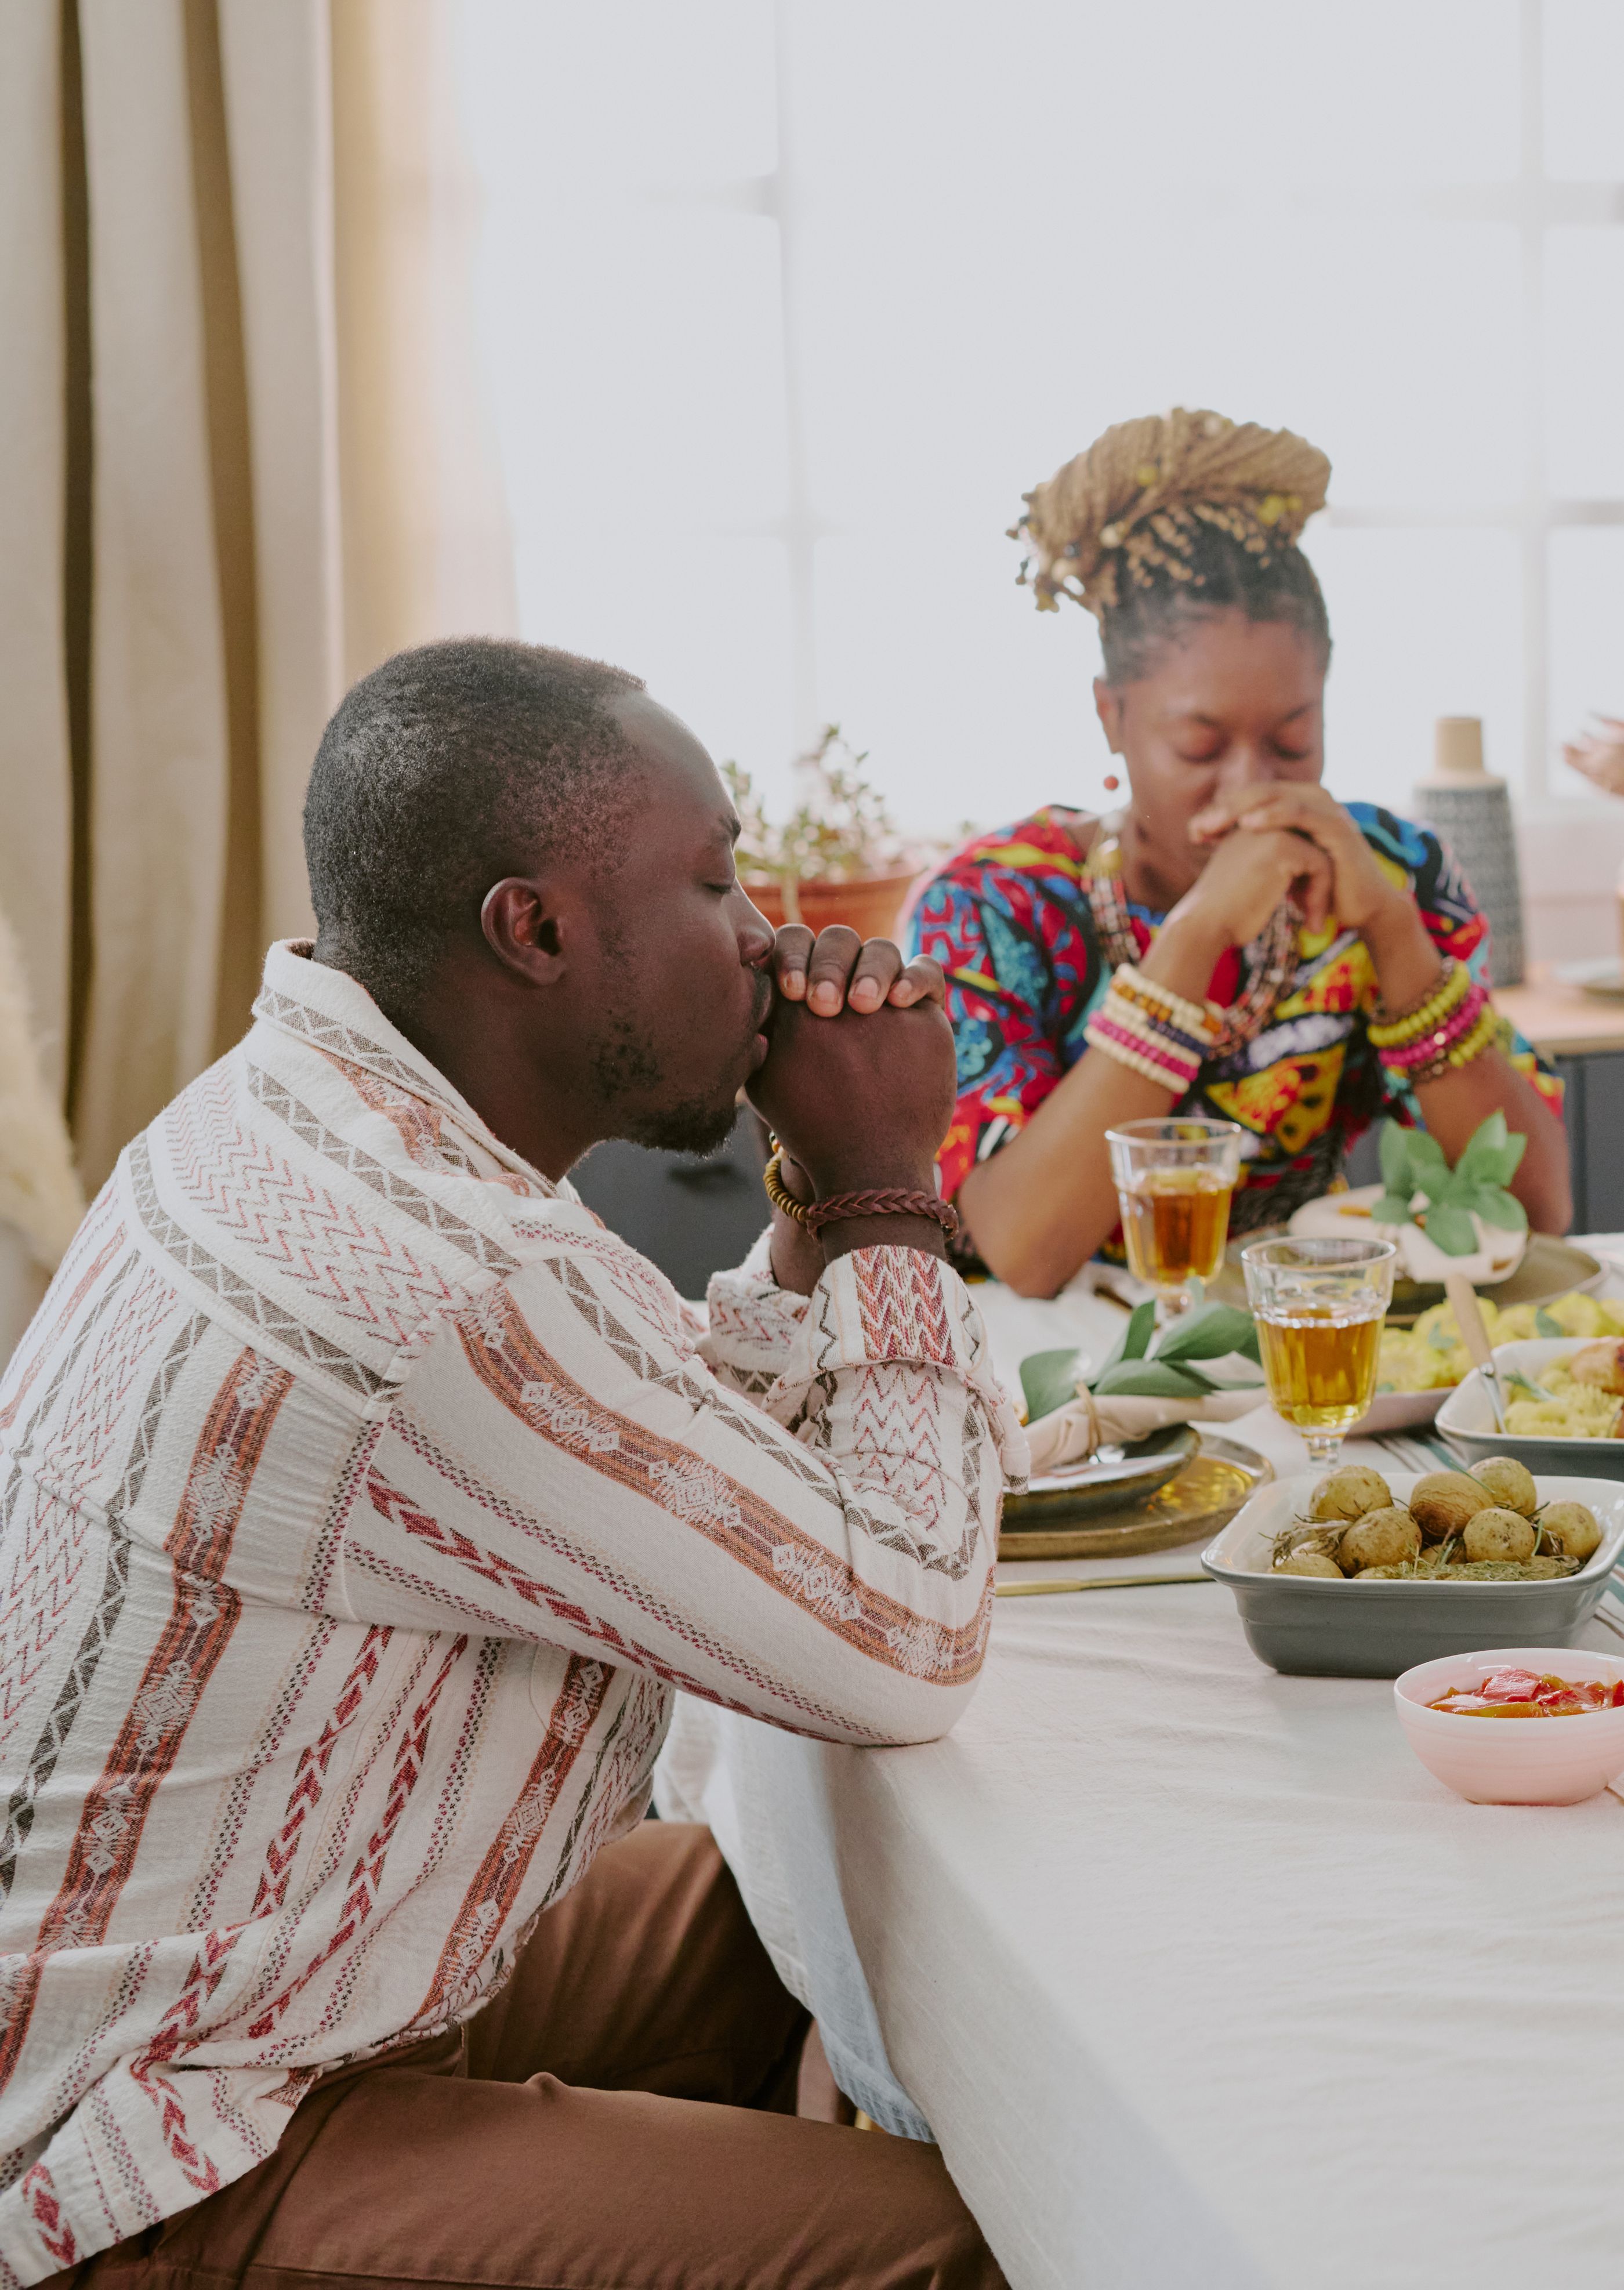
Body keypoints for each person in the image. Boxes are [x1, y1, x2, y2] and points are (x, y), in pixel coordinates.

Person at [0, 642, 1021, 2285]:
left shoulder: (293, 1113)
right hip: (154, 2150)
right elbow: (908, 1641)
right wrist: (892, 1188)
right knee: (980, 2244)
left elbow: (682, 1474)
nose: (763, 935)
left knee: (849, 1939)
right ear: (532, 930)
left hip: (245, 1978)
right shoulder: (447, 1284)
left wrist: (816, 1214)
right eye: (713, 879)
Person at [913, 408, 1567, 1298]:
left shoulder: (1389, 871)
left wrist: (1393, 933)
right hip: (1055, 1383)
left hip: (1306, 1349)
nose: (1251, 787)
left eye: (1294, 741)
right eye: (1199, 746)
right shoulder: (993, 905)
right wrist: (1198, 934)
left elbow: (1534, 1208)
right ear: (1112, 716)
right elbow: (1026, 1250)